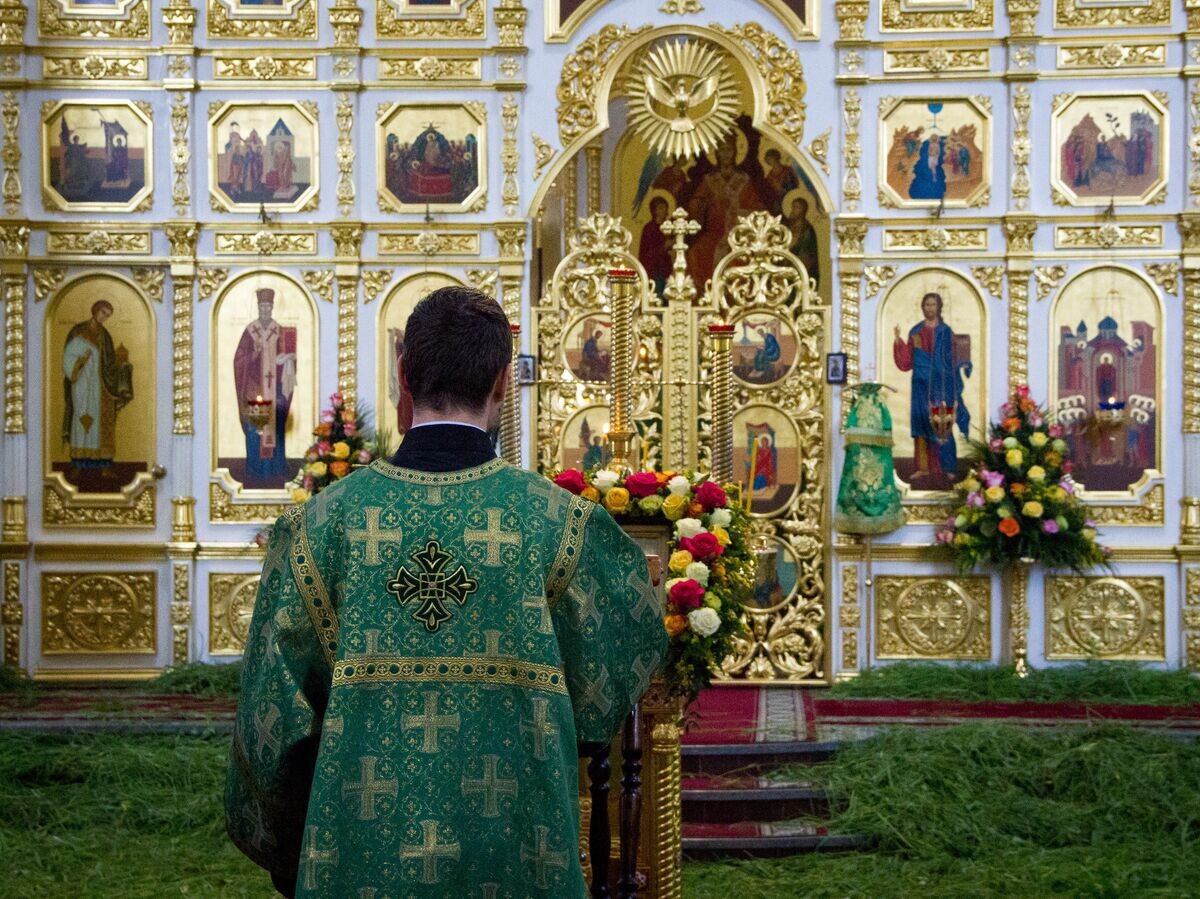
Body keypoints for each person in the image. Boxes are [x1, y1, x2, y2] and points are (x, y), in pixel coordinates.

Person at [227, 286, 666, 898]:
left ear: (403, 375)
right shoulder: (561, 524)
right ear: (503, 381)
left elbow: (269, 728)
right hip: (518, 861)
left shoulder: (319, 527)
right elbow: (608, 687)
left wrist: (291, 856)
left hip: (359, 864)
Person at [892, 291, 971, 486]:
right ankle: (923, 468)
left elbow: (953, 356)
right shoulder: (916, 331)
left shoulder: (945, 331)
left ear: (939, 307)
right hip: (920, 386)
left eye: (933, 304)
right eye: (927, 305)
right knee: (921, 424)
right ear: (922, 307)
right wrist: (898, 342)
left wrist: (962, 362)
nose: (930, 308)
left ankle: (947, 467)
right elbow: (907, 361)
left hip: (940, 385)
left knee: (942, 422)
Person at [61, 299, 133, 481]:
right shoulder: (78, 331)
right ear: (95, 310)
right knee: (82, 421)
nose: (104, 317)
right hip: (81, 384)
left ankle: (105, 466)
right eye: (103, 313)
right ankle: (78, 465)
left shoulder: (105, 335)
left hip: (102, 387)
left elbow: (109, 364)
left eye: (107, 315)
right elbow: (68, 356)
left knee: (104, 425)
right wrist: (80, 362)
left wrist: (122, 368)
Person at [232, 288, 297, 487]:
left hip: (275, 389)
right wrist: (254, 353)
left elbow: (290, 361)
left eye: (268, 306)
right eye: (262, 306)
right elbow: (238, 361)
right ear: (258, 307)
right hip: (254, 389)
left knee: (275, 426)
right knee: (255, 429)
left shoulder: (281, 331)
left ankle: (276, 469)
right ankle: (254, 470)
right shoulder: (250, 332)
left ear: (273, 307)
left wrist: (287, 360)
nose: (265, 309)